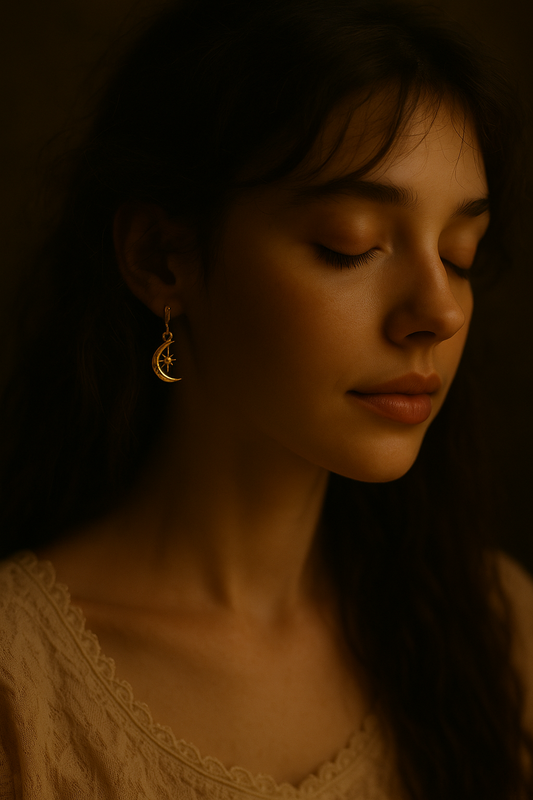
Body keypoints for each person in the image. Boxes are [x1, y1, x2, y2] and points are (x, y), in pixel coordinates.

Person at [0, 0, 532, 797]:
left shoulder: (500, 628)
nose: (441, 311)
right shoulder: (20, 688)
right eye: (348, 244)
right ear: (162, 258)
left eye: (459, 254)